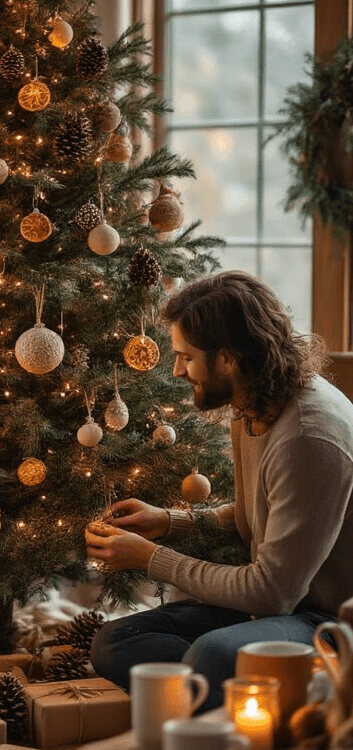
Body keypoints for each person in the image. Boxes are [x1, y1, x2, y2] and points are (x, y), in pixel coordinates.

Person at [86, 271, 353, 709]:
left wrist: (152, 558)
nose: (176, 370)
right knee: (118, 640)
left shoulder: (308, 436)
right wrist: (170, 522)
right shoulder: (253, 401)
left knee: (212, 654)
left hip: (327, 620)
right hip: (285, 605)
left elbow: (271, 592)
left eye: (186, 358)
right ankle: (225, 695)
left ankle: (222, 699)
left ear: (227, 358)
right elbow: (264, 514)